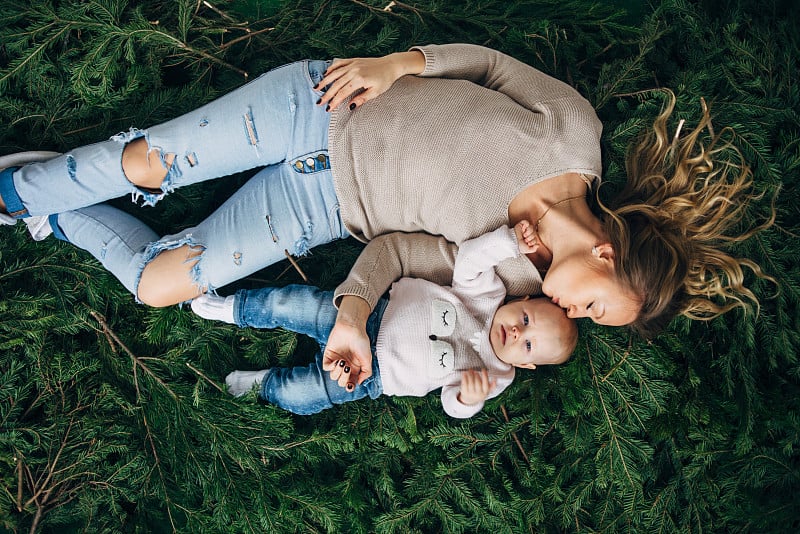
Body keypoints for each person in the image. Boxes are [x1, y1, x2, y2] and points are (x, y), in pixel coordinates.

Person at [0, 44, 770, 387]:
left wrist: (349, 318)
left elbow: (400, 250)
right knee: (149, 164)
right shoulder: (576, 133)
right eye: (593, 307)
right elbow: (493, 67)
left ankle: (51, 211)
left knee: (154, 284)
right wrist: (398, 64)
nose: (572, 312)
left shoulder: (506, 278)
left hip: (320, 207)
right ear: (608, 255)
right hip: (323, 108)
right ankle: (17, 193)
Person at [190, 222, 577, 418]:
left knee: (308, 393)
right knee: (294, 304)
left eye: (527, 343)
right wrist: (509, 242)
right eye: (525, 318)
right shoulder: (487, 295)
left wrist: (468, 400)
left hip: (373, 377)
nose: (515, 331)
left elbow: (449, 404)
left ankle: (264, 385)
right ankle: (233, 308)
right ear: (522, 298)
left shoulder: (496, 376)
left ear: (527, 363)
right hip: (370, 316)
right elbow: (471, 259)